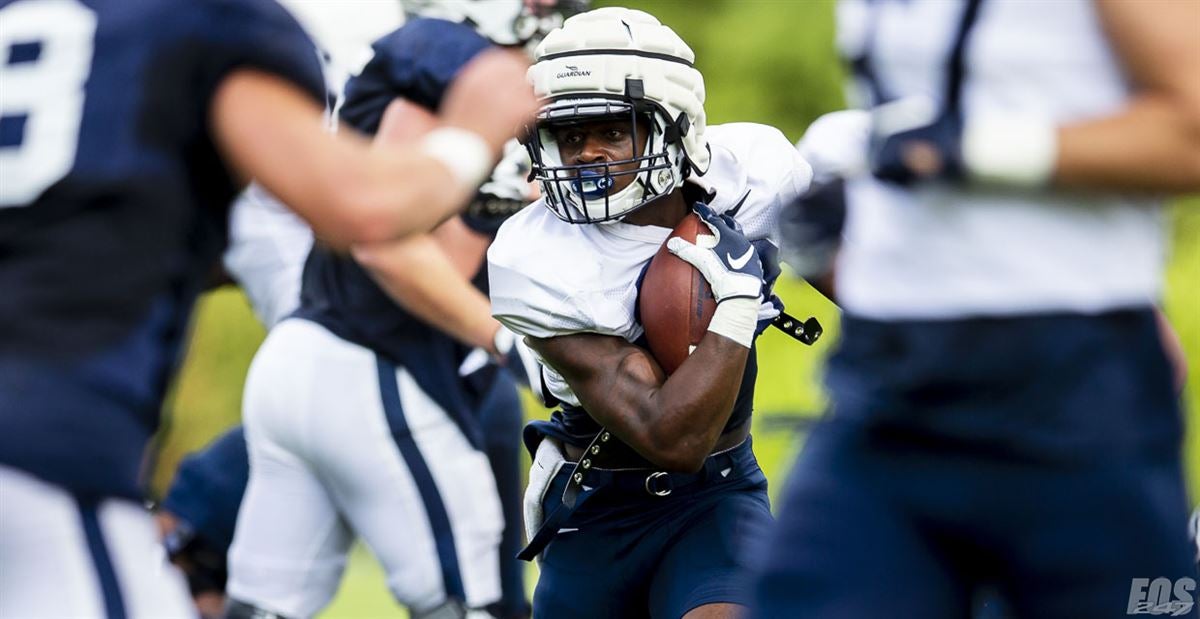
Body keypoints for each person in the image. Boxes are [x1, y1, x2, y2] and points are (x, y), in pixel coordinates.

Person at [0, 0, 534, 615]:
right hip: (48, 452)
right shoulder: (205, 23)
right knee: (476, 604)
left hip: (291, 359)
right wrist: (469, 138)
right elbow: (366, 215)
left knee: (262, 604)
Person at [753, 0, 1200, 617]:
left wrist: (973, 151)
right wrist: (842, 240)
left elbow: (1191, 130)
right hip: (892, 383)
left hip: (1069, 387)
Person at [223, 4, 578, 616]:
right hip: (374, 368)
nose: (548, 10)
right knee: (476, 605)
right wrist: (503, 341)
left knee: (264, 606)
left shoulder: (439, 69)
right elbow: (382, 242)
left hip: (305, 357)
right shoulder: (439, 52)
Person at [487, 8, 813, 618]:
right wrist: (738, 304)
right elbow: (672, 437)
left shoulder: (750, 171)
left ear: (675, 127)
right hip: (598, 508)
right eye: (567, 135)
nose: (584, 154)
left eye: (611, 131)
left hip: (714, 497)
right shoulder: (531, 255)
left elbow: (881, 295)